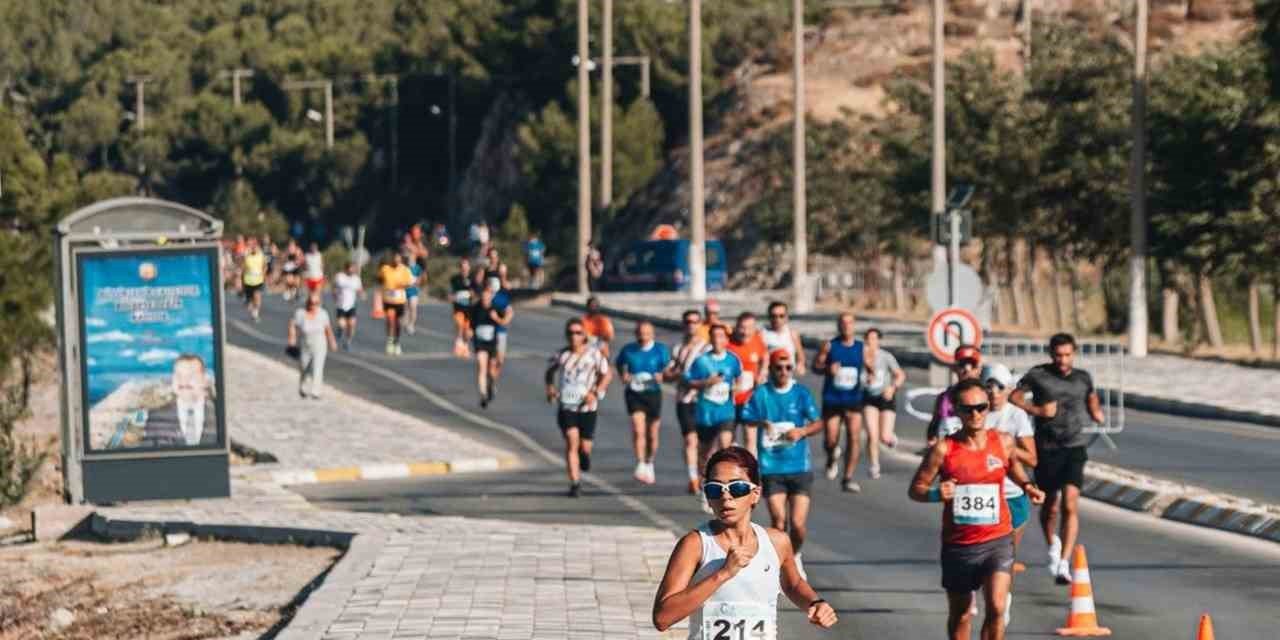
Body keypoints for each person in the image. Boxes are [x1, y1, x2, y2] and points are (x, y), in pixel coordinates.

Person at [909, 379, 1045, 640]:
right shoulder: (944, 449)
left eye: (981, 407)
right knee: (961, 614)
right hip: (959, 545)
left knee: (996, 608)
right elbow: (916, 489)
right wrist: (936, 493)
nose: (976, 414)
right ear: (957, 410)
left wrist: (1028, 486)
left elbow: (1014, 468)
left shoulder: (1003, 442)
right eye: (968, 409)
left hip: (998, 540)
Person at [652, 447, 838, 638]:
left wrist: (815, 603)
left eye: (737, 488)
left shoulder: (777, 542)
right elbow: (662, 617)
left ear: (755, 493)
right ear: (707, 497)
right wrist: (723, 574)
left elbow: (793, 584)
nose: (726, 496)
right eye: (715, 489)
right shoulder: (696, 544)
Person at [1009, 333, 1104, 585]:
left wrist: (1096, 412)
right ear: (1051, 354)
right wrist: (1037, 410)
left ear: (1074, 353)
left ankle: (1064, 562)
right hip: (1046, 447)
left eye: (1067, 355)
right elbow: (1014, 397)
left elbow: (1091, 395)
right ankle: (1053, 544)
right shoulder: (1038, 375)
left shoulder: (1083, 377)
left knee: (1070, 503)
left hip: (1074, 445)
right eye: (1058, 355)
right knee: (1050, 505)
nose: (1063, 360)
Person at [739, 349, 824, 578]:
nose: (784, 372)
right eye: (779, 367)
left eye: (788, 367)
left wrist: (803, 431)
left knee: (797, 524)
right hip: (771, 467)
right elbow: (745, 416)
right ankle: (779, 565)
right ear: (771, 369)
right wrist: (761, 422)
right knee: (778, 520)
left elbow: (818, 422)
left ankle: (793, 556)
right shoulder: (762, 394)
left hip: (799, 467)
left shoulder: (801, 393)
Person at [982, 362, 1037, 620]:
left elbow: (1032, 458)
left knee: (1006, 555)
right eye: (988, 386)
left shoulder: (1017, 416)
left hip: (1012, 494)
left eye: (999, 387)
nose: (993, 392)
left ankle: (1004, 599)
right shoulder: (975, 414)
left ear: (1008, 389)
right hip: (982, 495)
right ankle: (980, 595)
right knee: (981, 554)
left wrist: (1005, 447)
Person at [545, 317, 612, 497]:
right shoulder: (562, 355)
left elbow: (607, 374)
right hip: (567, 405)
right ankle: (575, 483)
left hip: (587, 407)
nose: (574, 336)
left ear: (584, 335)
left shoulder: (595, 355)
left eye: (578, 333)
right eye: (571, 333)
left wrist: (596, 393)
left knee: (585, 446)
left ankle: (585, 455)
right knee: (571, 440)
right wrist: (550, 390)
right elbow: (549, 373)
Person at [812, 312, 867, 492]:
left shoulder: (862, 347)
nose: (846, 326)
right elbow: (815, 366)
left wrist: (872, 375)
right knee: (830, 439)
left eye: (850, 323)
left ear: (854, 325)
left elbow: (871, 366)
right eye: (843, 323)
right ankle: (831, 456)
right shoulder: (830, 346)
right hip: (833, 399)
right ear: (838, 326)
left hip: (854, 399)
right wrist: (827, 368)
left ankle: (848, 477)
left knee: (854, 438)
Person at [686, 325, 743, 484]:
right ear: (710, 339)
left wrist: (736, 387)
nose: (718, 340)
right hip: (705, 413)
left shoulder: (733, 359)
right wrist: (707, 382)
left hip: (726, 412)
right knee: (705, 453)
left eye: (721, 336)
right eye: (715, 336)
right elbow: (689, 382)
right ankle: (706, 483)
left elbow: (738, 377)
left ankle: (724, 483)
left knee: (725, 447)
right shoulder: (701, 361)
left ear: (726, 339)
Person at [616, 321, 672, 485]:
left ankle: (649, 462)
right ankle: (640, 463)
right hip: (634, 393)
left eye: (646, 333)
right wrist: (623, 375)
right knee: (637, 428)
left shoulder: (660, 350)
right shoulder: (628, 350)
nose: (643, 336)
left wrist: (663, 376)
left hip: (653, 394)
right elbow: (619, 364)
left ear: (652, 334)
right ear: (636, 334)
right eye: (640, 333)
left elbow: (668, 370)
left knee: (652, 433)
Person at [667, 309, 709, 496]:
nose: (691, 325)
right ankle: (693, 478)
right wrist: (678, 375)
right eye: (688, 322)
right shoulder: (678, 349)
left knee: (704, 444)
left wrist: (698, 382)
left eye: (694, 322)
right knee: (690, 440)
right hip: (684, 400)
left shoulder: (707, 349)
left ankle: (703, 475)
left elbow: (715, 375)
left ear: (700, 324)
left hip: (706, 401)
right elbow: (668, 374)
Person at [726, 312, 768, 456]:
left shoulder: (758, 341)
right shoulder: (728, 343)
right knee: (728, 439)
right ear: (736, 327)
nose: (745, 332)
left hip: (750, 398)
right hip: (730, 399)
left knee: (750, 437)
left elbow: (765, 357)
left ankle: (751, 472)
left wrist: (762, 373)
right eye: (742, 328)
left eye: (749, 328)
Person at [926, 344, 984, 447]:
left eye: (972, 365)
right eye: (962, 365)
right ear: (954, 368)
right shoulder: (944, 397)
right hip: (949, 453)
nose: (967, 369)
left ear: (979, 368)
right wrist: (932, 441)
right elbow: (934, 426)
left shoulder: (988, 395)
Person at [860, 328, 906, 449]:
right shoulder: (859, 356)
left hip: (885, 397)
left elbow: (900, 375)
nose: (871, 341)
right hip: (868, 397)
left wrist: (892, 388)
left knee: (884, 437)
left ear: (879, 341)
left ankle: (890, 438)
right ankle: (874, 466)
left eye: (874, 339)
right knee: (872, 434)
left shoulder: (885, 357)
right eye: (868, 338)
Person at [288, 291, 338, 399]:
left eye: (316, 303)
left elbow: (327, 329)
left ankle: (316, 391)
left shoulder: (323, 314)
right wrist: (292, 339)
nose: (313, 305)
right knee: (303, 366)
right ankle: (303, 386)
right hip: (305, 342)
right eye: (311, 303)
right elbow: (293, 325)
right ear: (307, 303)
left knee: (318, 367)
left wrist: (332, 342)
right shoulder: (300, 313)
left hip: (319, 343)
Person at [470, 286, 512, 408]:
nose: (485, 299)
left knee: (491, 370)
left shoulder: (495, 309)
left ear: (491, 297)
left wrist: (497, 318)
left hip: (492, 343)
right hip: (479, 343)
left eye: (487, 297)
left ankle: (491, 385)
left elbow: (505, 321)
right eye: (483, 297)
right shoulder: (475, 308)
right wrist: (469, 331)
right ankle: (483, 395)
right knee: (481, 367)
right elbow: (471, 323)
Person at [377, 252, 415, 355]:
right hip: (388, 299)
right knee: (390, 318)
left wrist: (402, 285)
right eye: (394, 258)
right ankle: (389, 340)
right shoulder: (385, 269)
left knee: (398, 322)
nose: (396, 260)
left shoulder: (405, 270)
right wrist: (384, 287)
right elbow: (379, 279)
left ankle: (397, 342)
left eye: (398, 258)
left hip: (399, 300)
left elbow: (410, 283)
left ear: (400, 259)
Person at [761, 301, 807, 375]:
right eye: (774, 316)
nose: (777, 319)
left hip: (788, 376)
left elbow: (800, 355)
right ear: (769, 317)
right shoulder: (762, 334)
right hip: (770, 376)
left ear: (786, 317)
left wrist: (800, 365)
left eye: (781, 316)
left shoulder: (792, 334)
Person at [331, 261, 364, 351]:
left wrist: (361, 294)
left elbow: (360, 289)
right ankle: (340, 331)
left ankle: (348, 341)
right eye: (351, 268)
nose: (352, 270)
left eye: (354, 268)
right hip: (341, 305)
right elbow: (334, 286)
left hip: (351, 305)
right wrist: (334, 294)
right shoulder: (340, 277)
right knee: (342, 325)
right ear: (346, 268)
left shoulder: (356, 279)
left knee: (352, 325)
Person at [449, 257, 475, 358]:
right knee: (459, 325)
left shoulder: (472, 279)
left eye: (466, 266)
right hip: (458, 307)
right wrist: (452, 297)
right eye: (462, 267)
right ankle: (458, 346)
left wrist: (473, 295)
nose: (464, 269)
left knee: (467, 330)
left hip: (469, 309)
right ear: (460, 268)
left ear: (469, 267)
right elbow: (451, 293)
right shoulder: (455, 279)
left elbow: (476, 293)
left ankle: (465, 347)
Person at [241, 238, 267, 322]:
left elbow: (264, 266)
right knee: (249, 302)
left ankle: (256, 312)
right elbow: (242, 268)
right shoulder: (246, 256)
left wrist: (263, 274)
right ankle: (249, 304)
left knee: (257, 296)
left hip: (258, 280)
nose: (254, 248)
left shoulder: (261, 255)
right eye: (252, 246)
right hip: (248, 281)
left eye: (255, 246)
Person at [403, 254, 426, 336]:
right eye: (409, 257)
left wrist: (416, 282)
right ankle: (405, 322)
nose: (410, 259)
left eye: (411, 257)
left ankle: (411, 325)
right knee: (406, 308)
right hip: (404, 290)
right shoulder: (404, 267)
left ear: (415, 258)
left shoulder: (417, 268)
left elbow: (420, 278)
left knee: (413, 307)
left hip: (413, 290)